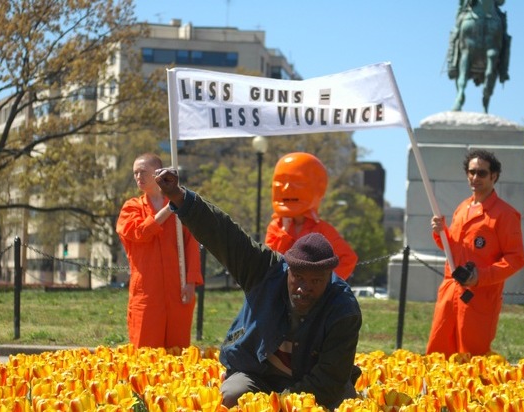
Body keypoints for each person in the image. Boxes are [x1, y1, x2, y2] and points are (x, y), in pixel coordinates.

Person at [154, 167, 362, 409]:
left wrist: (278, 404)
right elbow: (224, 234)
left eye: (316, 281)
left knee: (341, 405)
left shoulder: (343, 309)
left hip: (313, 383)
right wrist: (180, 196)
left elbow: (328, 381)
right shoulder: (266, 270)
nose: (304, 288)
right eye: (298, 277)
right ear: (288, 270)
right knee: (230, 397)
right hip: (257, 372)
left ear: (330, 277)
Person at [426, 149, 524, 357]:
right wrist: (440, 232)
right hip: (450, 294)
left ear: (494, 176)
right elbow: (455, 249)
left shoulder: (505, 215)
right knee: (439, 354)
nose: (474, 177)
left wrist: (480, 276)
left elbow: (516, 259)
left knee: (473, 362)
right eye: (471, 172)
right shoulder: (462, 208)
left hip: (479, 300)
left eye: (481, 173)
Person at [116, 153, 203, 349]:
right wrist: (168, 210)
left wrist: (190, 282)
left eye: (143, 172)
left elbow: (191, 245)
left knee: (178, 353)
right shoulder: (131, 207)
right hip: (147, 293)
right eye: (135, 173)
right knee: (146, 354)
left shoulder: (182, 206)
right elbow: (139, 232)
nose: (138, 177)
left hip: (177, 290)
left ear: (158, 174)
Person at [265, 152, 358, 280]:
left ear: (319, 188)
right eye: (280, 181)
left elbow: (348, 259)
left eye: (297, 181)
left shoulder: (322, 230)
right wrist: (284, 232)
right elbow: (270, 261)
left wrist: (324, 285)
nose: (286, 188)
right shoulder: (275, 227)